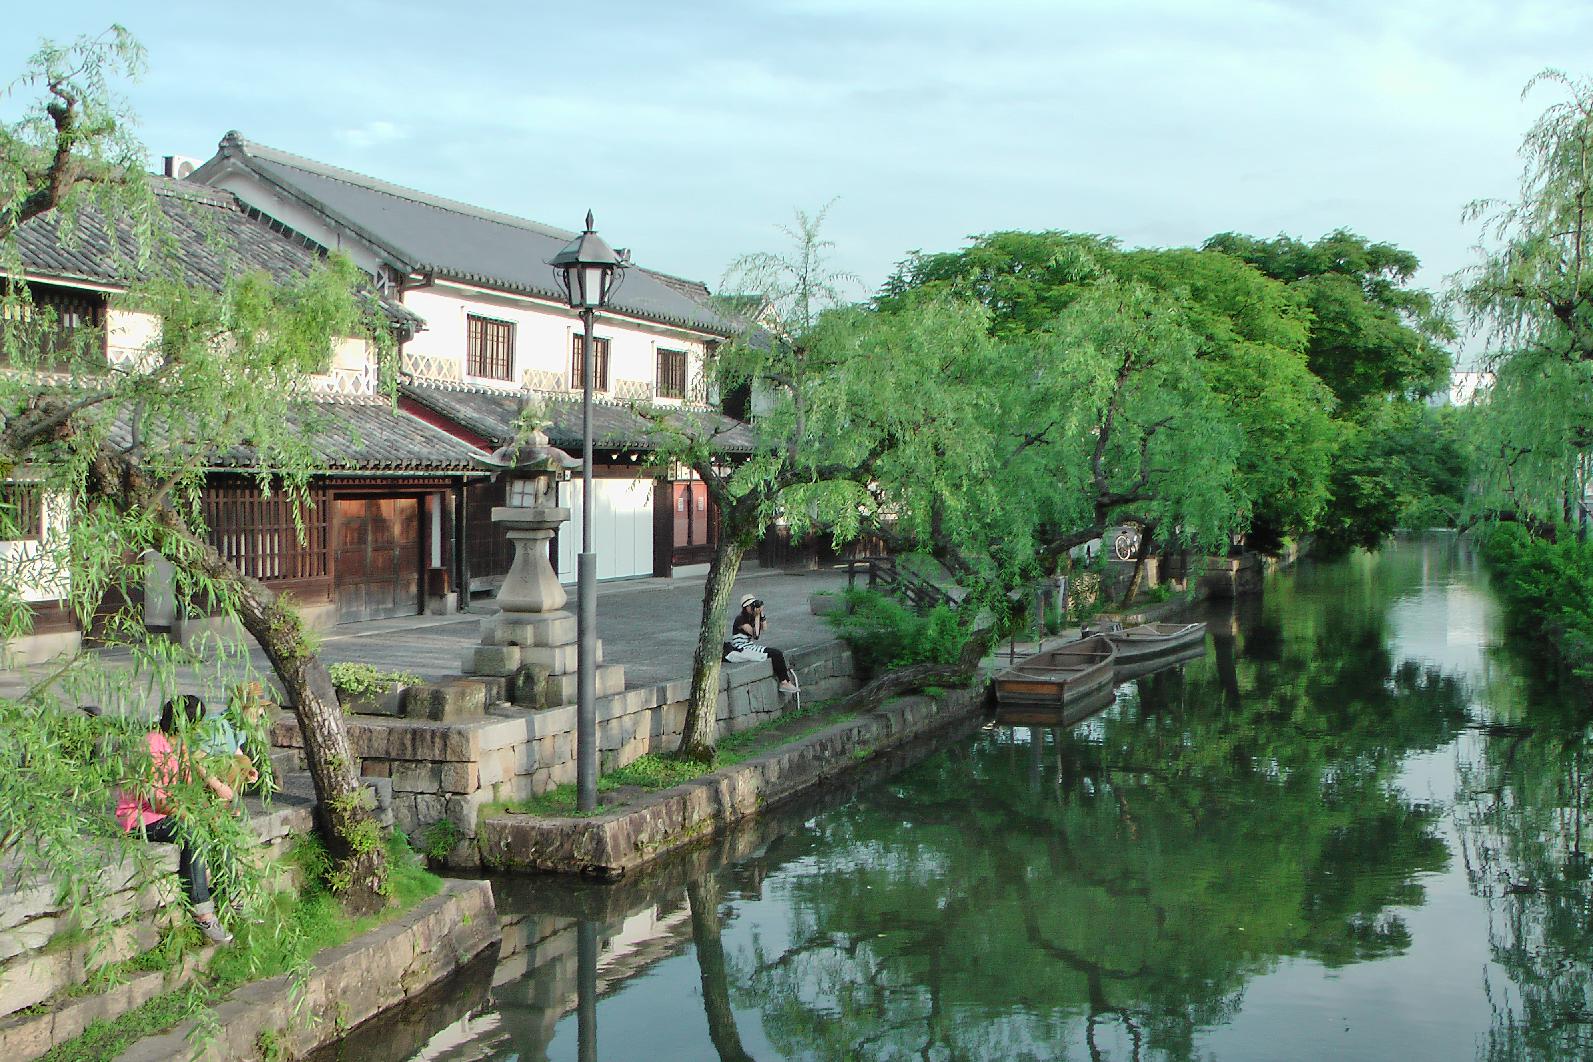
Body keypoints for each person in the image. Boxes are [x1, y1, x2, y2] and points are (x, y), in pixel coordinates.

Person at [115, 696, 235, 945]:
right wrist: (193, 815)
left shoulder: (178, 744)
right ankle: (203, 911)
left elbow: (188, 788)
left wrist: (208, 807)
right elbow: (158, 801)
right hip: (141, 818)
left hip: (169, 813)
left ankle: (230, 891)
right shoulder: (150, 746)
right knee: (193, 832)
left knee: (217, 824)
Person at [726, 593, 797, 693]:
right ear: (746, 607)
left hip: (749, 645)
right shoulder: (740, 619)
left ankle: (786, 682)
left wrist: (761, 613)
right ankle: (784, 682)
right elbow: (755, 635)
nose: (753, 607)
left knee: (776, 653)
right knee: (776, 653)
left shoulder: (751, 617)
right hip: (741, 647)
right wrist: (757, 616)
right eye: (752, 606)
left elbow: (765, 628)